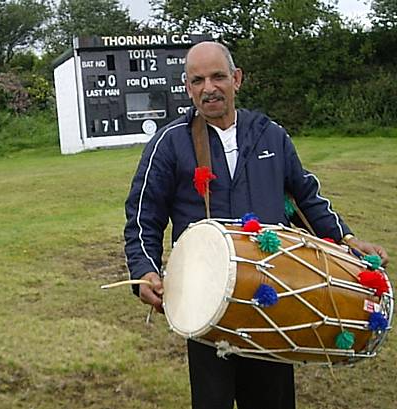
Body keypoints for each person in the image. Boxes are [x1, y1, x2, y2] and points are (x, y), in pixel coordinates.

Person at [123, 41, 389, 409]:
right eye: (197, 80)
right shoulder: (170, 143)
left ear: (237, 79)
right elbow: (143, 216)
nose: (208, 88)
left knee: (272, 399)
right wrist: (145, 272)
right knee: (212, 401)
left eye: (218, 77)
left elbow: (306, 199)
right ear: (187, 87)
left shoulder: (270, 135)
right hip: (204, 303)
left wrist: (346, 237)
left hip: (273, 297)